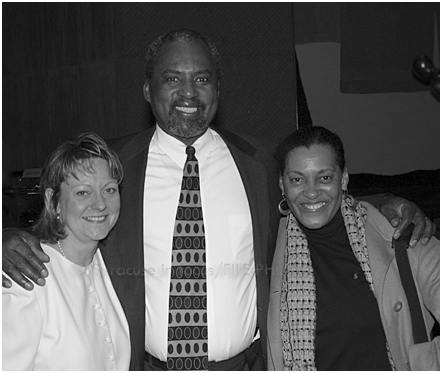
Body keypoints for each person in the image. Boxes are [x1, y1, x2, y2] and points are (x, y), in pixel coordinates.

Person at [2, 30, 436, 371]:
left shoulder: (260, 160)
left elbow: (315, 196)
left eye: (202, 78)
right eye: (173, 78)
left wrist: (392, 200)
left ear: (218, 88)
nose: (189, 93)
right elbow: (65, 215)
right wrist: (6, 237)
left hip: (246, 366)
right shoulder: (113, 166)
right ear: (147, 90)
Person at [267, 125, 439, 371]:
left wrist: (424, 364)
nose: (312, 192)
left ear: (344, 178)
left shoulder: (401, 237)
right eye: (297, 179)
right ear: (282, 186)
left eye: (325, 177)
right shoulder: (267, 243)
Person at [2, 133, 131, 370]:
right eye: (83, 192)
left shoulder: (110, 263)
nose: (100, 204)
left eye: (109, 190)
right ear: (53, 201)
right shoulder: (27, 276)